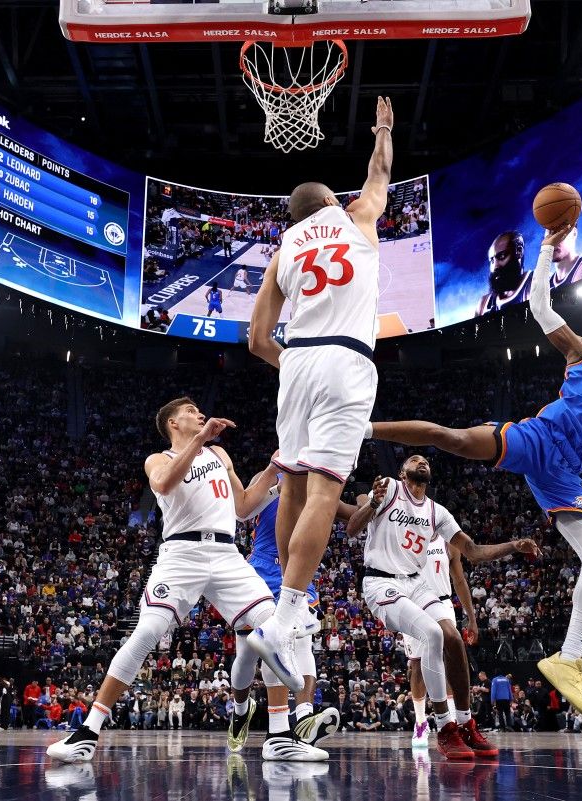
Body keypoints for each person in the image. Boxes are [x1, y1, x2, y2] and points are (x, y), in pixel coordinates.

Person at [367, 223, 582, 717]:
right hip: (537, 440)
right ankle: (364, 430)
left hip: (565, 474)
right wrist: (548, 248)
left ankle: (569, 658)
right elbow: (540, 307)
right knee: (448, 437)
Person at [245, 97, 393, 687]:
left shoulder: (282, 252)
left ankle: (288, 612)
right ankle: (287, 618)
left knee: (292, 482)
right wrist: (381, 128)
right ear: (334, 202)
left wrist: (290, 364)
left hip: (297, 362)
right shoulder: (357, 219)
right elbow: (378, 173)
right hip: (346, 358)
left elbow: (257, 339)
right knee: (327, 494)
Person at [46, 398, 278, 762]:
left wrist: (271, 470)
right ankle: (87, 732)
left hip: (226, 553)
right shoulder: (159, 459)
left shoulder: (219, 456)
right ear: (173, 423)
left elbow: (244, 507)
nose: (199, 413)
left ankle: (279, 733)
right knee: (147, 632)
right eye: (190, 412)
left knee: (273, 627)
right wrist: (200, 439)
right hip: (181, 555)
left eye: (199, 411)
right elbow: (166, 485)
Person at [344, 458, 540, 760]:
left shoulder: (437, 511)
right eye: (413, 459)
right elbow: (351, 530)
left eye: (425, 459)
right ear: (402, 472)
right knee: (432, 634)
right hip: (381, 582)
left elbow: (472, 551)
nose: (421, 460)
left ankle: (465, 723)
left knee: (452, 637)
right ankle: (443, 727)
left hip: (417, 583)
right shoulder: (389, 488)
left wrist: (513, 545)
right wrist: (371, 504)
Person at [230, 476, 341, 759]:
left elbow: (346, 515)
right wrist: (278, 486)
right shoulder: (272, 473)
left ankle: (300, 719)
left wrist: (372, 503)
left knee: (300, 641)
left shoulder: (321, 479)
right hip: (262, 568)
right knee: (246, 656)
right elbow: (242, 511)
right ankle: (242, 709)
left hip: (298, 570)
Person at [476, 231, 533, 316]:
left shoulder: (535, 284)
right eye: (492, 260)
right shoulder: (484, 304)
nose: (495, 266)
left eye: (502, 256)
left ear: (519, 251)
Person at [548, 226, 582, 291]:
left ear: (574, 233)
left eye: (559, 232)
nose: (553, 240)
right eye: (549, 233)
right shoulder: (546, 286)